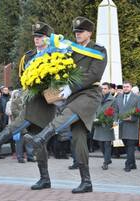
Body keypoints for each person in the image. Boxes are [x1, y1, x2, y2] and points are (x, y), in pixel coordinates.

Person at [24, 16, 107, 193]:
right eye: (76, 32)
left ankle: (41, 137)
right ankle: (87, 182)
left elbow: (94, 74)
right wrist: (50, 89)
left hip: (89, 94)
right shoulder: (70, 50)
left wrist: (70, 86)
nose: (77, 34)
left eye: (81, 32)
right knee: (78, 139)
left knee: (68, 112)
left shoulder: (98, 50)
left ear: (90, 33)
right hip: (71, 95)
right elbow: (60, 70)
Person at [0, 22, 56, 167]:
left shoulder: (55, 55)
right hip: (31, 99)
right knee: (20, 125)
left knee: (39, 142)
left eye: (40, 36)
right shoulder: (28, 57)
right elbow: (23, 77)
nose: (36, 39)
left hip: (46, 101)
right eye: (35, 36)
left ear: (48, 38)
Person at [114, 81, 140, 172]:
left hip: (132, 126)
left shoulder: (137, 98)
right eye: (124, 87)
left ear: (131, 87)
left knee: (130, 145)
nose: (125, 88)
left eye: (127, 86)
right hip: (122, 125)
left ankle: (128, 164)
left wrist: (132, 117)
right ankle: (133, 164)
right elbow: (116, 110)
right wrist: (115, 120)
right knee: (127, 145)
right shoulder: (118, 97)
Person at [93, 82, 115, 170]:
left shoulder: (113, 100)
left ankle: (105, 162)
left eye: (105, 88)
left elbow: (115, 112)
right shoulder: (98, 98)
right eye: (102, 88)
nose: (103, 90)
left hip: (107, 125)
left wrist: (109, 120)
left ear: (109, 89)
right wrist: (94, 118)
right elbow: (94, 110)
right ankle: (108, 159)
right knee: (101, 144)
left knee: (107, 144)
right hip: (98, 124)